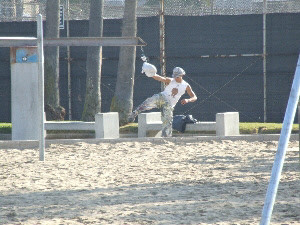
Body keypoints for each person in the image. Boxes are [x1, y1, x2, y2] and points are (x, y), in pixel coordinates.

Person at [128, 61, 197, 137]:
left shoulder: (186, 85)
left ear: (182, 75)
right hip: (162, 97)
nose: (175, 78)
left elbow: (194, 97)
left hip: (169, 105)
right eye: (175, 76)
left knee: (167, 121)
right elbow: (160, 78)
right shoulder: (170, 80)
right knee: (149, 101)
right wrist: (151, 74)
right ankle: (135, 113)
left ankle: (166, 137)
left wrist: (188, 100)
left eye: (177, 76)